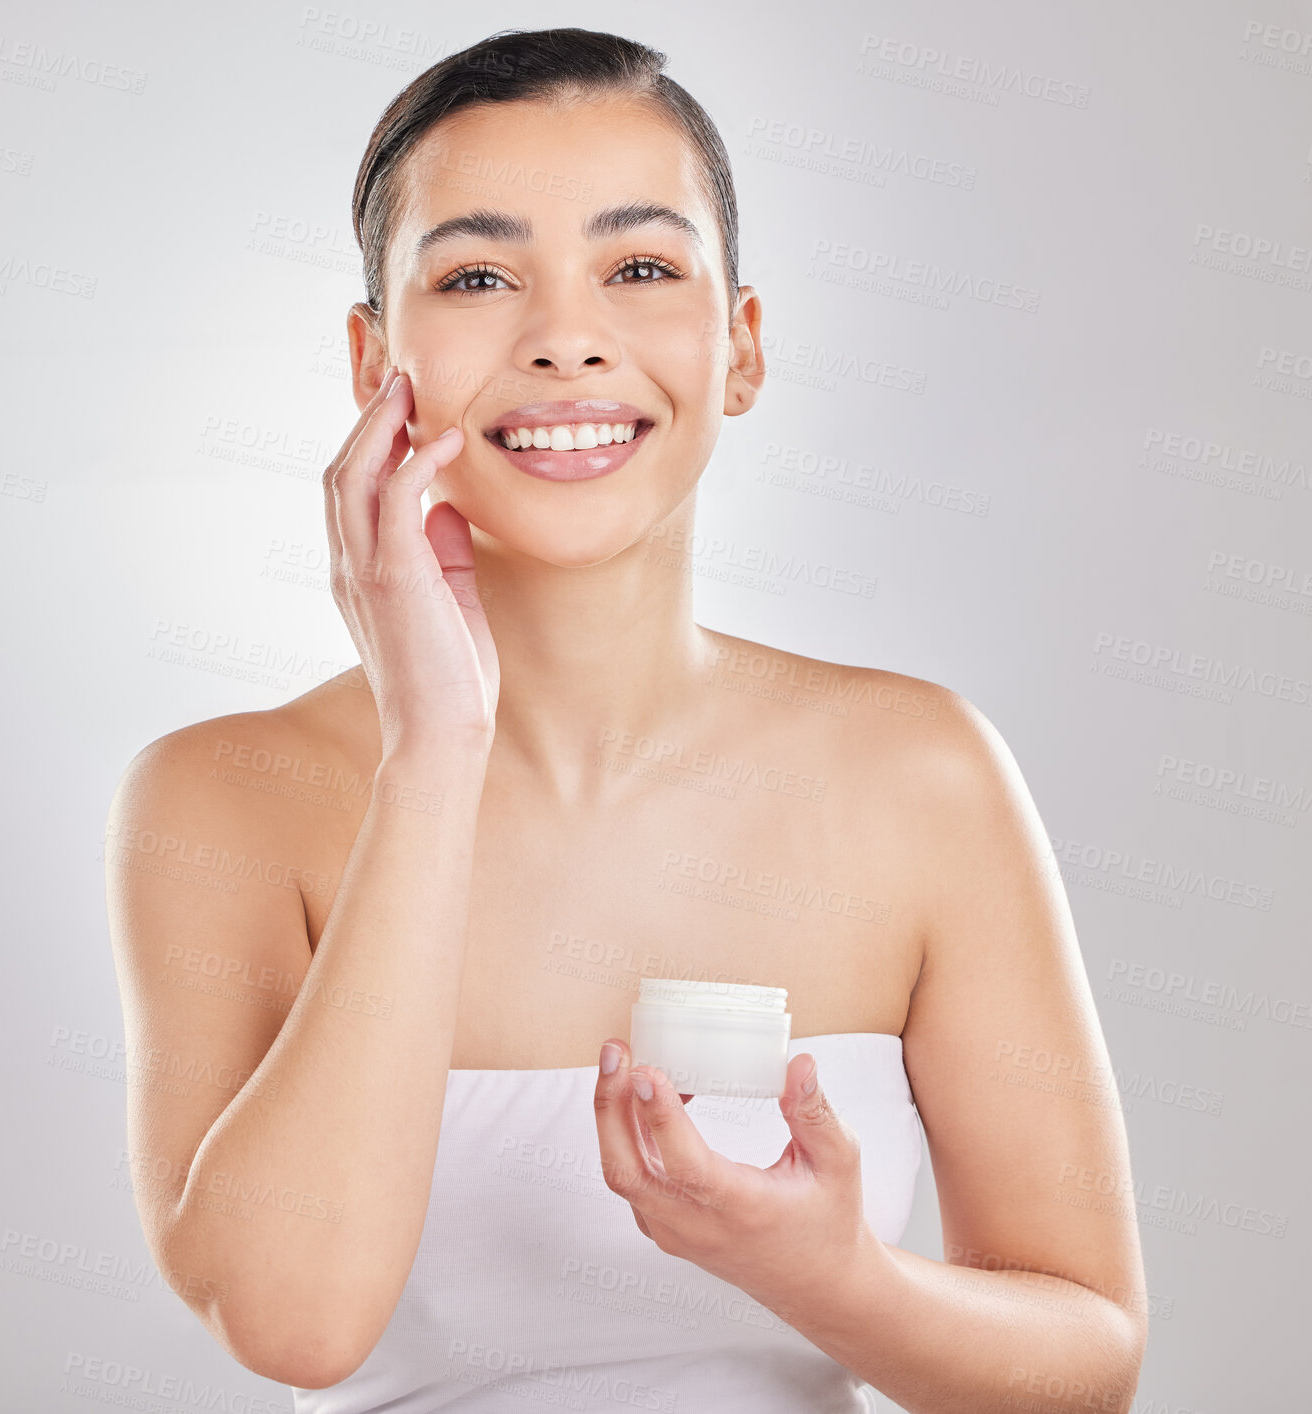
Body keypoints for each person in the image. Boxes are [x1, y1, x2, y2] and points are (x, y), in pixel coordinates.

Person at [105, 26, 1148, 1413]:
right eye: (478, 275)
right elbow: (295, 1324)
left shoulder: (920, 774)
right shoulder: (221, 797)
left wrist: (829, 1273)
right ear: (374, 361)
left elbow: (1084, 1359)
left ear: (742, 347)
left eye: (641, 267)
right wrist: (433, 752)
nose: (565, 337)